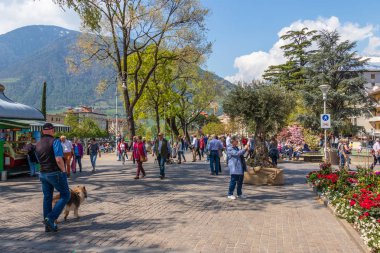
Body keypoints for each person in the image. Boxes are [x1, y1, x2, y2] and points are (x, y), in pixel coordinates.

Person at [35, 123, 70, 232]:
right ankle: (50, 218)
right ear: (51, 130)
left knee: (47, 198)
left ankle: (48, 226)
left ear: (43, 131)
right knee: (66, 195)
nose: (54, 131)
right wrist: (64, 171)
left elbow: (37, 159)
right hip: (55, 172)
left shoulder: (38, 144)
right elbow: (58, 159)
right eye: (53, 129)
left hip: (43, 173)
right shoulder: (55, 141)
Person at [227, 136, 249, 200]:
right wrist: (245, 148)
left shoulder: (236, 148)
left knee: (240, 182)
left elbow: (241, 154)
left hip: (240, 167)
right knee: (233, 181)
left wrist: (246, 149)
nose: (237, 142)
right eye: (236, 141)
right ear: (232, 141)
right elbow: (237, 154)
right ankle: (230, 194)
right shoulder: (230, 148)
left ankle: (239, 194)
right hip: (234, 167)